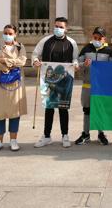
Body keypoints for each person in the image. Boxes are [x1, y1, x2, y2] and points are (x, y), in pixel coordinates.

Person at [32, 17, 79, 149]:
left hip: (65, 80)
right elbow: (35, 54)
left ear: (66, 29)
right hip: (49, 79)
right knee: (49, 107)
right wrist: (35, 61)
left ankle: (65, 135)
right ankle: (47, 136)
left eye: (61, 27)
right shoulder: (45, 41)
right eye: (56, 26)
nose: (58, 29)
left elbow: (75, 58)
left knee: (63, 108)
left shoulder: (72, 43)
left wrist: (75, 65)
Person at [0, 24, 27, 153]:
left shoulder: (20, 47)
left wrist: (4, 60)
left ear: (15, 34)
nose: (8, 35)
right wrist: (7, 66)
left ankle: (13, 140)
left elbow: (22, 61)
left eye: (10, 33)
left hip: (15, 85)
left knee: (14, 112)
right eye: (6, 33)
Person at [75, 27, 112, 146]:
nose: (97, 40)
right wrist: (84, 64)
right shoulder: (86, 49)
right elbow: (77, 65)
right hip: (87, 85)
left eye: (99, 38)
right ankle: (86, 134)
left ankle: (101, 133)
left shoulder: (109, 51)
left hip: (102, 87)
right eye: (95, 37)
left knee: (100, 110)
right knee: (87, 110)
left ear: (104, 38)